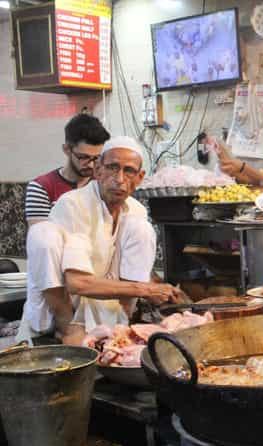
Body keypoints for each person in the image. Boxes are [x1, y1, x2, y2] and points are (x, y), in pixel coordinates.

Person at [18, 137, 181, 345]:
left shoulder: (136, 211)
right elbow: (76, 282)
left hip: (103, 308)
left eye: (129, 171)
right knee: (42, 234)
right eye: (112, 168)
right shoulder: (73, 204)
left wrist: (159, 290)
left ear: (140, 178)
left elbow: (130, 273)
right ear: (98, 171)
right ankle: (67, 327)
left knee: (142, 229)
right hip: (61, 307)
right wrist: (147, 290)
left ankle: (123, 322)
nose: (119, 178)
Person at [25, 113, 110, 225]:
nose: (91, 165)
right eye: (83, 157)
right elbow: (40, 238)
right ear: (66, 149)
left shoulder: (103, 184)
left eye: (96, 158)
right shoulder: (41, 188)